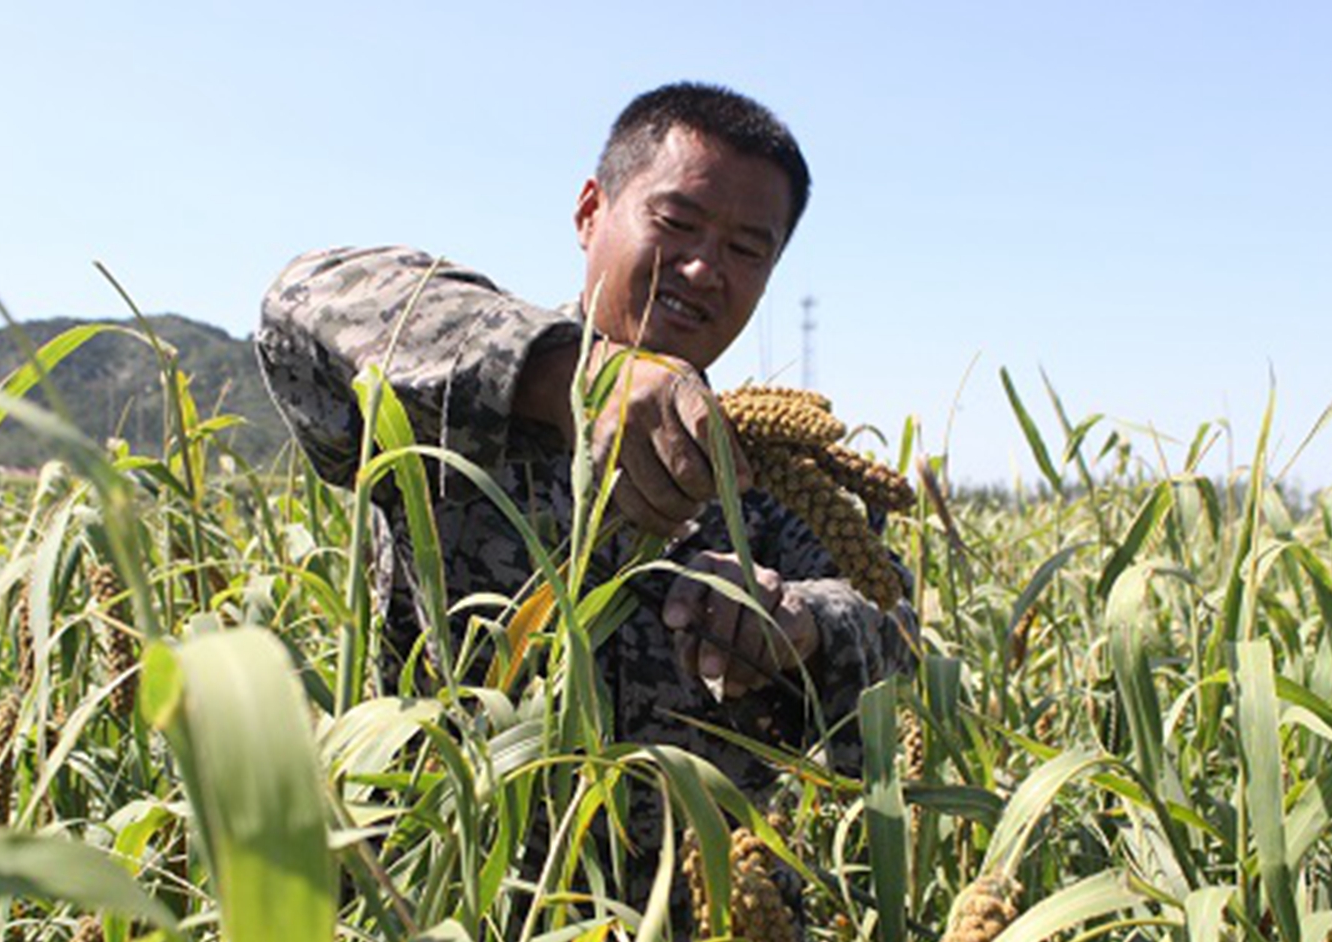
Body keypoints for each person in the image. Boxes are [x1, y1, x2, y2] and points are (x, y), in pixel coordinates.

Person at [256, 82, 915, 898]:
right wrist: (573, 380)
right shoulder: (456, 395)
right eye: (676, 224)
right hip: (452, 926)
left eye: (748, 250)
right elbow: (301, 304)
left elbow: (895, 634)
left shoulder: (769, 468)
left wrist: (799, 628)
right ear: (589, 212)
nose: (705, 268)